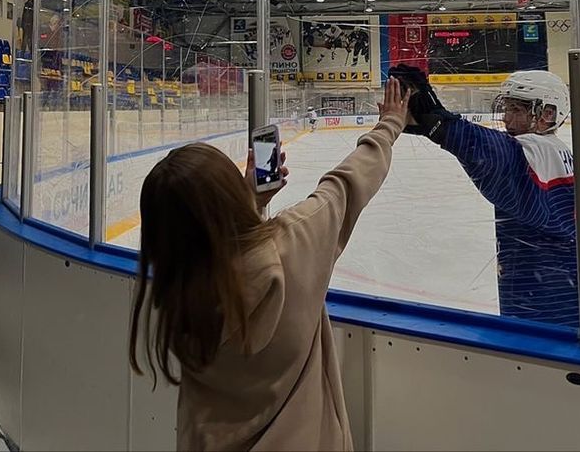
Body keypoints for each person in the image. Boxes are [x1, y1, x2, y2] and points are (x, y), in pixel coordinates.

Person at [129, 77, 410, 451]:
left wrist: (250, 202)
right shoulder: (291, 245)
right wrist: (391, 123)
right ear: (228, 194)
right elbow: (344, 185)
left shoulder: (173, 294)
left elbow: (218, 250)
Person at [390, 64, 578, 328]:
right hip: (552, 289)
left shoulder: (540, 150)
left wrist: (442, 126)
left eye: (516, 109)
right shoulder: (556, 151)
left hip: (546, 304)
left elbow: (494, 153)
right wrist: (434, 124)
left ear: (548, 113)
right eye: (506, 108)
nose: (505, 118)